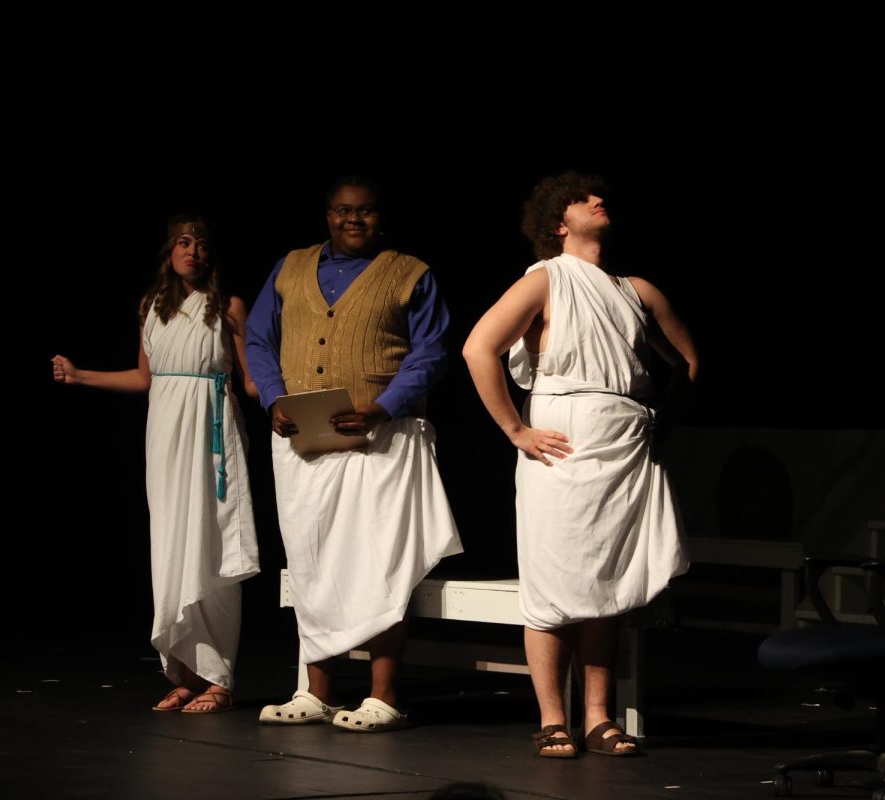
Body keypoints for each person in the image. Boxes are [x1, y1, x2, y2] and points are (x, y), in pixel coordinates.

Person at [462, 172, 698, 757]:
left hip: (623, 445)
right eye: (583, 199)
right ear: (558, 224)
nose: (600, 199)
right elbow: (478, 347)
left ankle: (598, 715)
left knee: (607, 584)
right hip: (562, 443)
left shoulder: (636, 290)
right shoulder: (546, 279)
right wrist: (515, 430)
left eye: (600, 196)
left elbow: (686, 362)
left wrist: (656, 425)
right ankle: (551, 717)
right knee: (553, 582)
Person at [246, 174, 462, 733]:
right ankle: (317, 691)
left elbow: (432, 350)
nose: (353, 220)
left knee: (377, 564)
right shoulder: (290, 267)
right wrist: (272, 397)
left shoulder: (409, 272)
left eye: (365, 212)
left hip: (380, 440)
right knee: (312, 561)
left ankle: (382, 695)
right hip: (305, 442)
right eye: (343, 211)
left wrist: (383, 405)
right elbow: (258, 340)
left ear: (380, 218)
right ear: (327, 215)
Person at [52, 214, 260, 713]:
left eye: (202, 244)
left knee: (209, 546)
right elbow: (146, 379)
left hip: (212, 436)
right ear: (169, 251)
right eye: (184, 243)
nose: (193, 251)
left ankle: (220, 677)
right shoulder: (150, 306)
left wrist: (288, 400)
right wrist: (81, 376)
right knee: (171, 546)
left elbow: (251, 380)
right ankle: (187, 674)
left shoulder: (228, 307)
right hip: (165, 434)